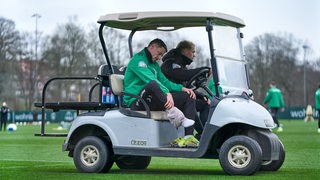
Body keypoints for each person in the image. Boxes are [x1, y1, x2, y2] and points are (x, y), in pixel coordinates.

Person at [123, 38, 199, 147]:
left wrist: (182, 88)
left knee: (188, 96)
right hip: (137, 101)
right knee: (152, 84)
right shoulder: (138, 61)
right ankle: (176, 115)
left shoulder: (154, 65)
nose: (159, 58)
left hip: (153, 99)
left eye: (161, 56)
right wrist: (167, 93)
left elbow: (164, 81)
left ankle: (188, 137)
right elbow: (150, 80)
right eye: (159, 54)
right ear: (152, 47)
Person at [161, 40, 211, 137]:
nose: (194, 55)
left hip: (179, 97)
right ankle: (189, 136)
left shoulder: (181, 65)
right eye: (193, 52)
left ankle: (203, 135)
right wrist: (203, 69)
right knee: (189, 99)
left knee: (205, 103)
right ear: (184, 50)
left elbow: (185, 86)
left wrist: (201, 95)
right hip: (168, 99)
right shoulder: (170, 63)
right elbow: (184, 75)